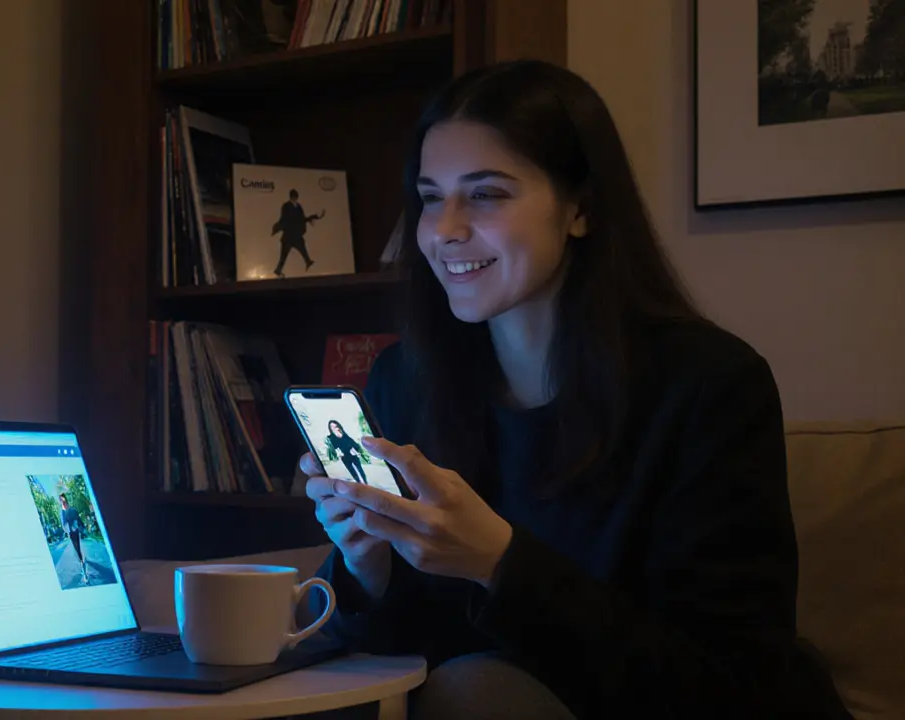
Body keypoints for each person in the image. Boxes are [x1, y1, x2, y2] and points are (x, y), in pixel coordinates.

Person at [301, 60, 851, 719]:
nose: (443, 229)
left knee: (475, 692)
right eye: (429, 196)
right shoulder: (407, 381)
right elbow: (404, 655)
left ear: (581, 208)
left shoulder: (710, 387)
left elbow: (730, 687)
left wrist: (501, 564)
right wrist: (369, 570)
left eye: (485, 194)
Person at [272, 188, 323, 276]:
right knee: (284, 255)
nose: (295, 199)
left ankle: (308, 261)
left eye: (296, 197)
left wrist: (310, 218)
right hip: (288, 235)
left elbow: (302, 218)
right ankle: (278, 269)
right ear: (291, 197)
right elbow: (285, 219)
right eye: (294, 197)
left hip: (295, 235)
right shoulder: (286, 206)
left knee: (302, 246)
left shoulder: (299, 206)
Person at [326, 420, 369, 484]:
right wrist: (337, 437)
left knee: (360, 470)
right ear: (330, 428)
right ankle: (360, 484)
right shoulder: (331, 438)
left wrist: (355, 449)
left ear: (338, 426)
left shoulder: (343, 433)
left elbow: (351, 442)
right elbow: (334, 448)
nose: (334, 428)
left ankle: (366, 483)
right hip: (345, 457)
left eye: (335, 426)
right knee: (353, 472)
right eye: (331, 427)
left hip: (353, 454)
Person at [59, 493, 88, 582]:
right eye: (61, 501)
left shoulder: (72, 510)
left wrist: (83, 528)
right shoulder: (62, 512)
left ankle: (85, 573)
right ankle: (82, 563)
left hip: (76, 532)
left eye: (64, 500)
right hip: (71, 534)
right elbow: (64, 525)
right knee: (77, 551)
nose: (63, 503)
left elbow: (78, 519)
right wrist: (67, 529)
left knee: (78, 550)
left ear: (66, 500)